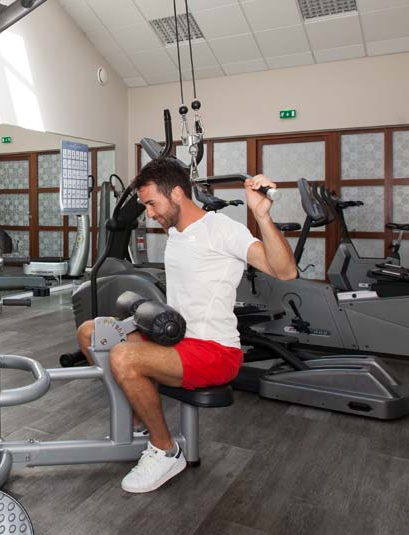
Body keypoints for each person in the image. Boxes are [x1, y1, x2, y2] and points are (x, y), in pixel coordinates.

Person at [75, 158, 297, 494]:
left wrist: (263, 216)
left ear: (177, 194)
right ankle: (137, 421)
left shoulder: (223, 229)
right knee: (91, 332)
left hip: (214, 351)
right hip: (173, 338)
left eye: (152, 203)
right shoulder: (176, 231)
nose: (148, 213)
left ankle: (166, 450)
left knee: (123, 357)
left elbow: (284, 272)